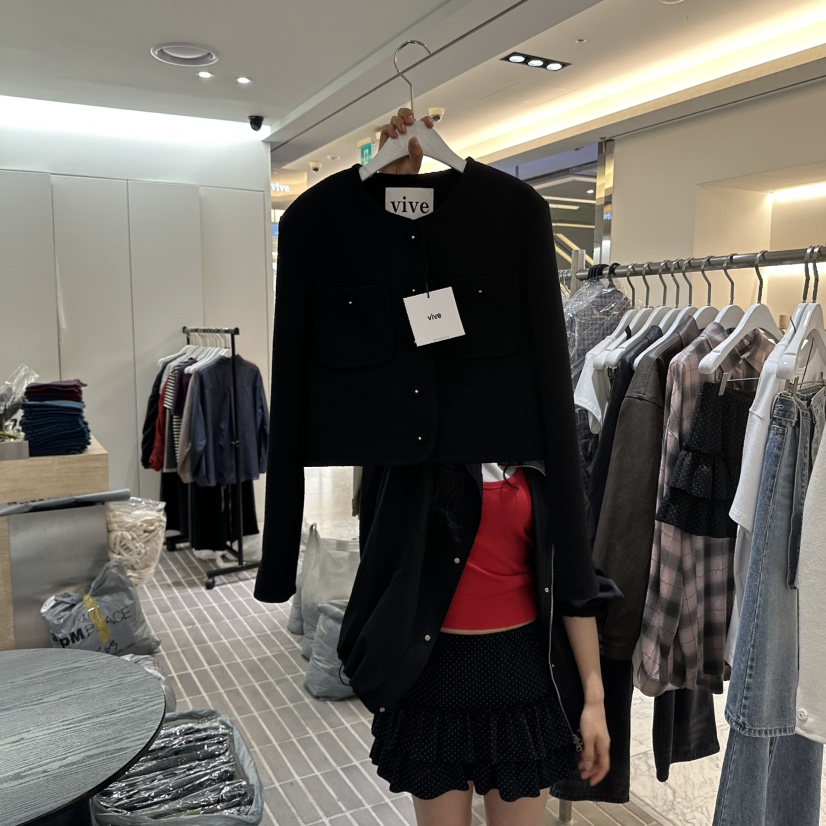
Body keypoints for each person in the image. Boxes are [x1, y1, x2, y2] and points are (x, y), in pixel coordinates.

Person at [347, 109, 613, 826]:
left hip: (523, 678)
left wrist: (592, 697)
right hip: (430, 673)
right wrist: (396, 190)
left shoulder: (542, 449)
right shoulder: (412, 446)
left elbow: (575, 580)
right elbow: (386, 318)